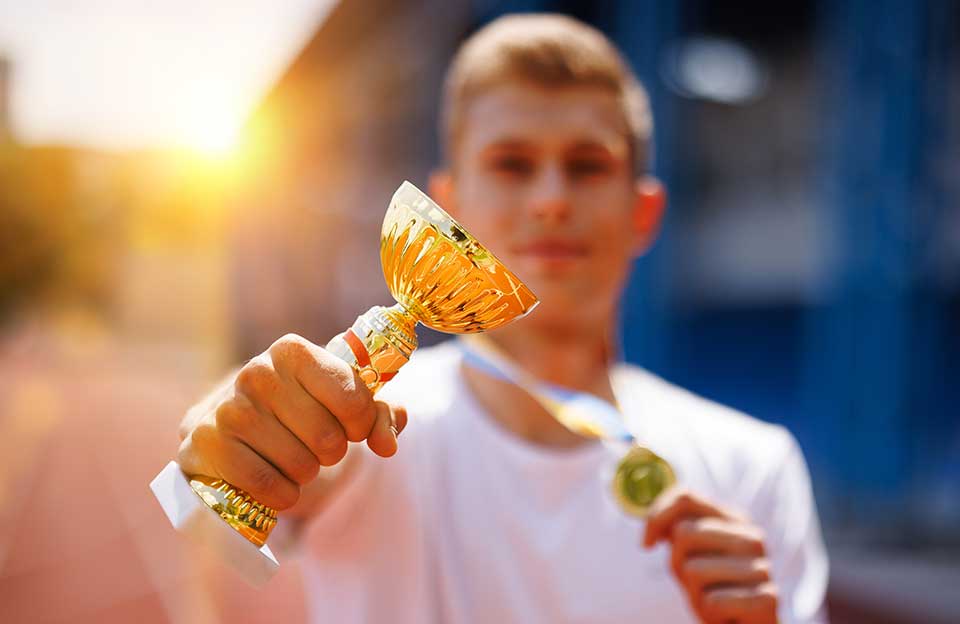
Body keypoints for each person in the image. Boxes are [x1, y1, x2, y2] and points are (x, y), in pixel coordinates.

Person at [176, 13, 828, 624]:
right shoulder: (367, 433)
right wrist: (235, 433)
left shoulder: (750, 470)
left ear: (643, 213)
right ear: (449, 204)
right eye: (511, 164)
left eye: (587, 166)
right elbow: (205, 497)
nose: (550, 200)